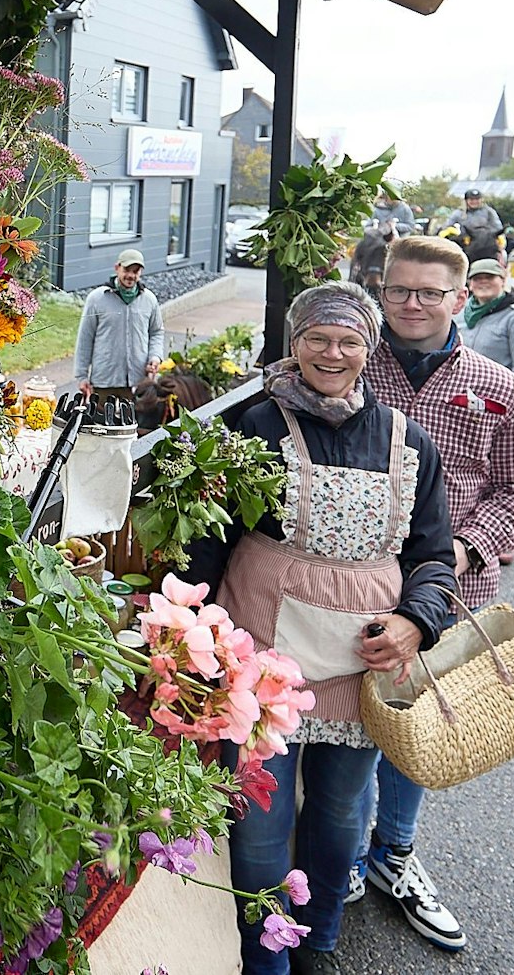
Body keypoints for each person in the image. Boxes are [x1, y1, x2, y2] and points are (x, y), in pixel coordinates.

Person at [181, 282, 457, 975]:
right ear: (294, 342)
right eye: (317, 338)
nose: (332, 352)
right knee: (260, 820)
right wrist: (186, 632)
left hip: (362, 662)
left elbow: (431, 552)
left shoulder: (406, 439)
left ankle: (320, 938)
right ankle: (264, 956)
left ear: (370, 347)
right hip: (262, 657)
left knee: (339, 812)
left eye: (349, 340)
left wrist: (414, 621)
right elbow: (209, 541)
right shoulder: (253, 429)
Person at [351, 236, 514, 954]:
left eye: (429, 292)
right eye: (399, 288)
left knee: (417, 728)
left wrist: (460, 548)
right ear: (381, 290)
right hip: (350, 584)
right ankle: (343, 855)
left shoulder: (499, 387)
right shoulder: (350, 364)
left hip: (452, 592)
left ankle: (394, 856)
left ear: (460, 299)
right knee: (348, 728)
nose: (411, 303)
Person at [73, 249, 165, 405]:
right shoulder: (97, 299)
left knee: (133, 427)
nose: (131, 275)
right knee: (99, 427)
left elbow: (156, 332)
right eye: (127, 270)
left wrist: (155, 357)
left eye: (135, 271)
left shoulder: (149, 300)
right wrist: (81, 376)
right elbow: (85, 338)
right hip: (104, 381)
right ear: (117, 268)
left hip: (137, 382)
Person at [459, 259, 514, 388]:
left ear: (503, 281)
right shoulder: (458, 312)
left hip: (495, 396)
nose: (483, 282)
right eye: (477, 278)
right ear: (470, 284)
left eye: (490, 277)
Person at [450, 189, 504, 263]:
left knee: (503, 255)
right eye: (471, 199)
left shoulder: (489, 212)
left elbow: (497, 227)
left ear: (481, 200)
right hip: (465, 241)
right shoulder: (458, 213)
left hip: (487, 242)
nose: (474, 202)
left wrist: (485, 232)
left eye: (477, 199)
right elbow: (449, 226)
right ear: (466, 200)